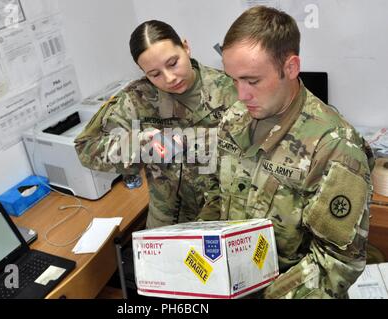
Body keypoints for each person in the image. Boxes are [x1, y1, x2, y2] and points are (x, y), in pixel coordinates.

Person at [198, 6, 374, 298]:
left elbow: (337, 263)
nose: (241, 95)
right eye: (234, 79)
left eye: (252, 81)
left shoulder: (335, 147)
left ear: (290, 68)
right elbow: (217, 195)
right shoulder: (234, 119)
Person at [74, 20, 237, 229]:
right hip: (170, 222)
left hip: (226, 217)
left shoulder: (231, 87)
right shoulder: (138, 99)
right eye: (155, 74)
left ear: (186, 47)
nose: (169, 78)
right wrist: (143, 145)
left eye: (173, 63)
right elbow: (86, 148)